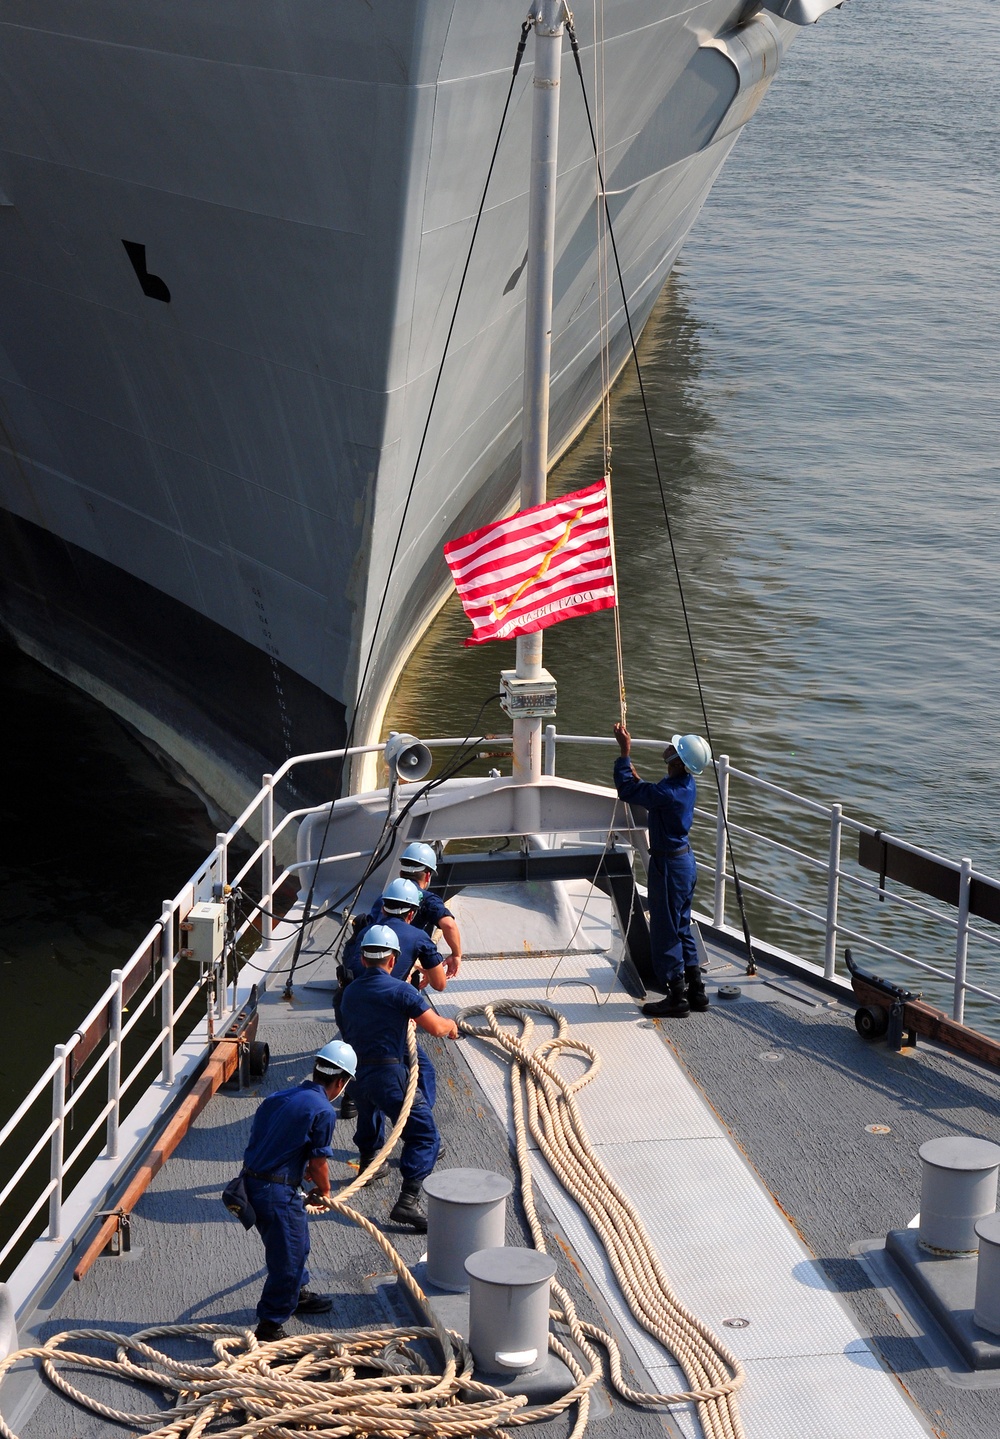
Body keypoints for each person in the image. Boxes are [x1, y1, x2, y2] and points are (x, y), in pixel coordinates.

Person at [339, 930, 459, 1232]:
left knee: (369, 1113)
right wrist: (450, 1025)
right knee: (424, 1135)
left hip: (353, 1076)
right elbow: (434, 1028)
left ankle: (369, 1162)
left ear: (364, 958)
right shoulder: (402, 992)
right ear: (393, 960)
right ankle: (407, 1200)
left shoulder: (349, 992)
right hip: (387, 1074)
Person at [242, 1039, 357, 1343]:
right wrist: (325, 1189)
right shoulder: (324, 1111)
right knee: (290, 1257)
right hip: (276, 1193)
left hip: (252, 1184)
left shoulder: (279, 1096)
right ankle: (270, 1325)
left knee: (295, 1244)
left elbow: (269, 1139)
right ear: (341, 1081)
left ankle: (298, 1293)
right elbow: (319, 1161)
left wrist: (294, 1162)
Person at [612, 723, 712, 1019]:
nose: (669, 746)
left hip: (668, 866)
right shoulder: (683, 786)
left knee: (665, 930)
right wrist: (639, 777)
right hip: (684, 863)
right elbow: (652, 793)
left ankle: (676, 997)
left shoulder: (667, 792)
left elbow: (627, 790)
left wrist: (624, 752)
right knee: (681, 924)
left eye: (675, 748)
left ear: (677, 762)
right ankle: (696, 988)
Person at [337, 879, 447, 1121]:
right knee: (421, 1068)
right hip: (385, 1012)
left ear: (384, 907)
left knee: (357, 1053)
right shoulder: (419, 937)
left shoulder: (368, 932)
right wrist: (423, 964)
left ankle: (350, 1100)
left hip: (349, 1004)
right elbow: (439, 984)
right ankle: (421, 1125)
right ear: (412, 913)